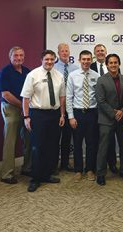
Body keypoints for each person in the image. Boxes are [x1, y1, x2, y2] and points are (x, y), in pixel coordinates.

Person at [21, 50, 66, 192]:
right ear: (41, 60)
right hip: (38, 115)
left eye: (52, 59)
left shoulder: (59, 76)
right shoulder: (33, 75)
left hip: (54, 115)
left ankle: (47, 175)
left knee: (52, 146)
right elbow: (26, 98)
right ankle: (35, 178)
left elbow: (62, 97)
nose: (49, 62)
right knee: (37, 147)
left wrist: (62, 115)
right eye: (47, 59)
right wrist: (26, 117)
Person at [96, 54, 123, 185]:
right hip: (106, 119)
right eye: (110, 63)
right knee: (103, 147)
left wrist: (122, 111)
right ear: (106, 65)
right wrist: (113, 113)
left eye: (115, 62)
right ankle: (100, 173)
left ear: (119, 64)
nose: (113, 65)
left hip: (122, 119)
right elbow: (100, 100)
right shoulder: (101, 80)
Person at [0, 46, 31, 184]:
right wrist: (22, 106)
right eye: (16, 55)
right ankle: (7, 173)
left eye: (21, 55)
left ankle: (27, 167)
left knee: (29, 138)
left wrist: (26, 108)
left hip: (25, 109)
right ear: (10, 57)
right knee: (10, 141)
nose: (19, 58)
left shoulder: (27, 71)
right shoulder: (4, 72)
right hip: (11, 108)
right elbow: (5, 94)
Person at [66, 50, 100, 182]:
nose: (86, 61)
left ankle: (90, 169)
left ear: (91, 60)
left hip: (92, 113)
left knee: (92, 143)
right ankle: (78, 170)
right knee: (78, 143)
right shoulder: (72, 75)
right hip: (77, 113)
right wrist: (71, 117)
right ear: (79, 60)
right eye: (83, 59)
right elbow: (69, 97)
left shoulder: (96, 76)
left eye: (88, 59)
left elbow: (98, 96)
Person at [90, 43, 118, 174]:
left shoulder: (114, 68)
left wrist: (113, 112)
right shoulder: (89, 67)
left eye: (102, 51)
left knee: (110, 140)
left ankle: (112, 164)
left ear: (105, 52)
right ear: (95, 54)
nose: (100, 53)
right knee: (97, 140)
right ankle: (97, 166)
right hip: (93, 110)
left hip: (110, 112)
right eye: (98, 51)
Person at [54, 43, 78, 172]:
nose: (64, 53)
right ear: (58, 53)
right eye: (62, 51)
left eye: (66, 51)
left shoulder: (75, 68)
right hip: (56, 107)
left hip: (70, 107)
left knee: (67, 137)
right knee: (55, 137)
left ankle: (65, 163)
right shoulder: (53, 68)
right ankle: (53, 164)